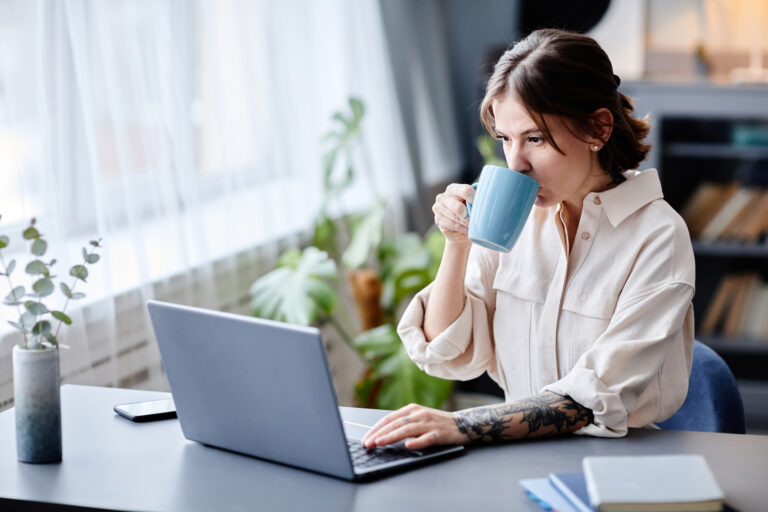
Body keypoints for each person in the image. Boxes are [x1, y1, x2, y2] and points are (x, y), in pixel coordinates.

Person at [361, 28, 695, 450]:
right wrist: (457, 244)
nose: (515, 164)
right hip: (516, 452)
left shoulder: (658, 236)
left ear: (598, 128)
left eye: (535, 138)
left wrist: (464, 425)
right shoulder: (514, 221)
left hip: (618, 459)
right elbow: (447, 355)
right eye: (505, 139)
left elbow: (591, 399)